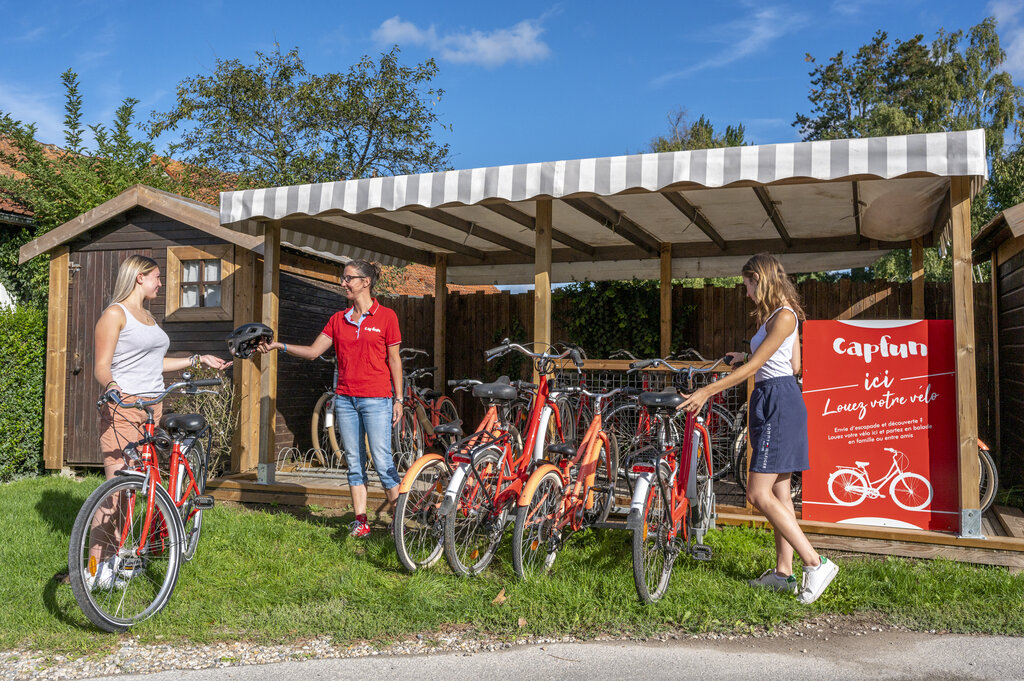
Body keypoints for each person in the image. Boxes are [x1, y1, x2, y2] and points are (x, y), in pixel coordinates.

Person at [679, 253, 839, 605]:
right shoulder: (779, 316)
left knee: (756, 494)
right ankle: (784, 574)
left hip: (779, 402)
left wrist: (707, 391)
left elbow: (757, 367)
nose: (746, 293)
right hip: (776, 397)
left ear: (759, 279)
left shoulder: (783, 316)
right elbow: (793, 363)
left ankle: (816, 562)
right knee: (780, 494)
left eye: (748, 285)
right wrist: (747, 356)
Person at [91, 254, 231, 588]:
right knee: (117, 493)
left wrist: (196, 359)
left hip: (152, 410)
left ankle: (121, 558)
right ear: (139, 277)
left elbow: (155, 363)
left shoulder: (148, 318)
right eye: (156, 276)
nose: (161, 282)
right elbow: (101, 365)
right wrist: (113, 389)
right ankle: (95, 567)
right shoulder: (115, 314)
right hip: (123, 409)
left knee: (140, 488)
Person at [260, 259, 403, 538]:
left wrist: (399, 399)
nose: (343, 283)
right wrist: (280, 345)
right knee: (354, 461)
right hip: (346, 400)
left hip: (377, 399)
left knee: (383, 460)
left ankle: (398, 522)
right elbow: (314, 351)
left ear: (365, 282)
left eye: (348, 278)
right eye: (343, 277)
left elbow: (394, 360)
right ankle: (361, 522)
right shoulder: (339, 320)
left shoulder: (387, 317)